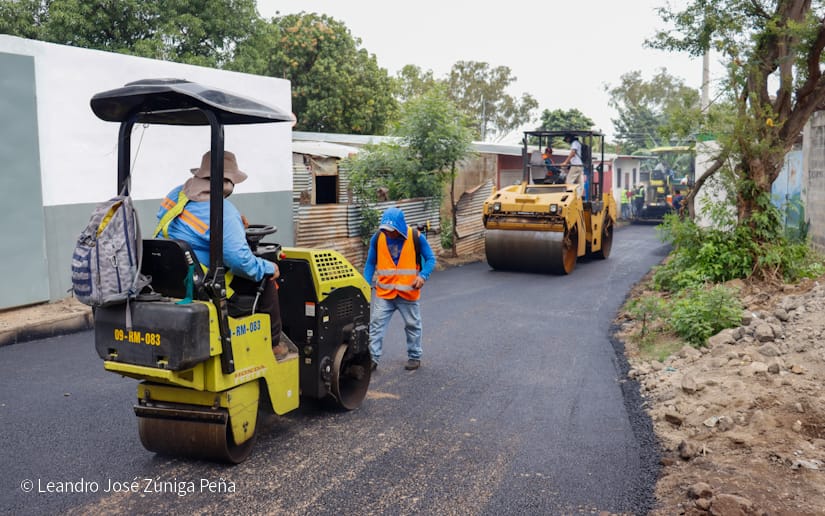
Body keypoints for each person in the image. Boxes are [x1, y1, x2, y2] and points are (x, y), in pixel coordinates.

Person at [154, 150, 288, 359]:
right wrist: (268, 266)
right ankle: (273, 345)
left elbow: (190, 228)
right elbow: (239, 261)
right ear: (228, 184)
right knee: (267, 278)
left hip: (173, 277)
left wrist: (235, 228)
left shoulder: (175, 195)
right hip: (206, 286)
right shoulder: (223, 211)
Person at [363, 207, 436, 371]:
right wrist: (365, 283)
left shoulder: (416, 237)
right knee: (376, 325)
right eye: (386, 230)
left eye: (391, 230)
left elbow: (431, 259)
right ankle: (372, 359)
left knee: (413, 325)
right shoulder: (378, 238)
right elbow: (370, 263)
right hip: (385, 293)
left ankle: (414, 356)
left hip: (407, 292)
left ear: (400, 227)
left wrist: (422, 276)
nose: (388, 233)